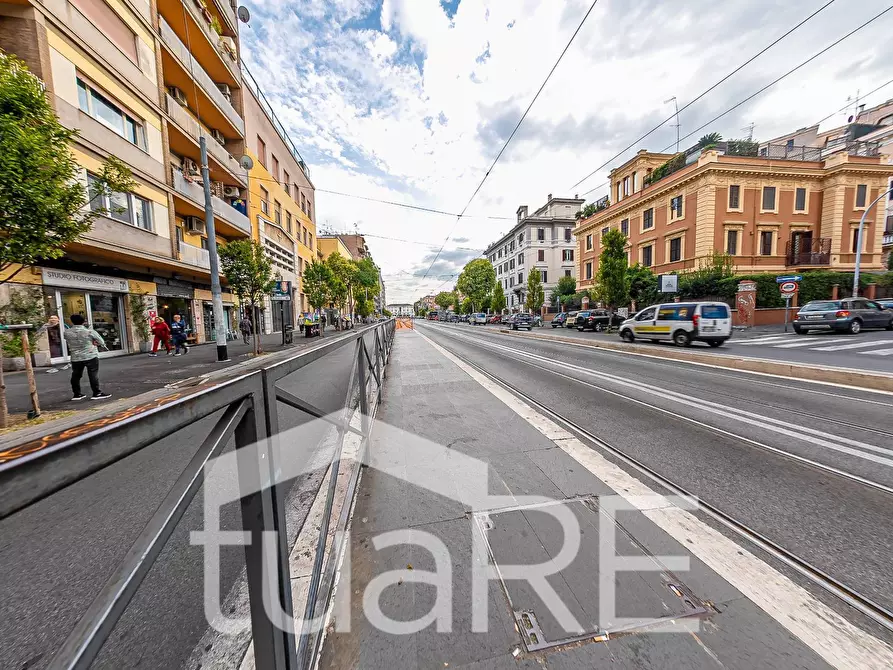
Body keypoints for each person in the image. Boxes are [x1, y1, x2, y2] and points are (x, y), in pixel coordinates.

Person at [64, 314, 110, 401]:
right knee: (93, 374)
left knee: (76, 375)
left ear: (72, 321)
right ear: (84, 321)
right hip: (90, 355)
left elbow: (69, 341)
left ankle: (77, 394)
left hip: (76, 357)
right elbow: (101, 342)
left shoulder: (67, 332)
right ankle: (97, 393)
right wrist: (95, 342)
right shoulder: (90, 332)